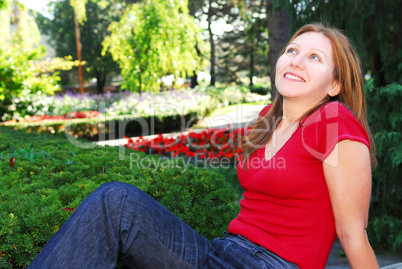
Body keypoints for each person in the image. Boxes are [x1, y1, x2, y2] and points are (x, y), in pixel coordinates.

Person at [28, 22, 379, 269]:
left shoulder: (333, 120)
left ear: (335, 84)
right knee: (115, 201)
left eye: (315, 58)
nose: (297, 60)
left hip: (273, 265)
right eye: (292, 50)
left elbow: (353, 234)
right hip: (221, 253)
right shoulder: (266, 120)